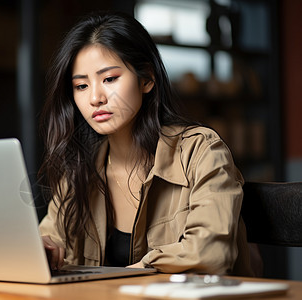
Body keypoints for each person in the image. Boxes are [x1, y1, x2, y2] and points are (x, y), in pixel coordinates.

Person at [38, 11, 254, 276]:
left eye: (109, 79)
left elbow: (210, 253)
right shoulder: (79, 170)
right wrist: (42, 249)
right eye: (81, 86)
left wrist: (135, 271)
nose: (95, 97)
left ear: (147, 79)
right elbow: (48, 238)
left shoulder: (201, 152)